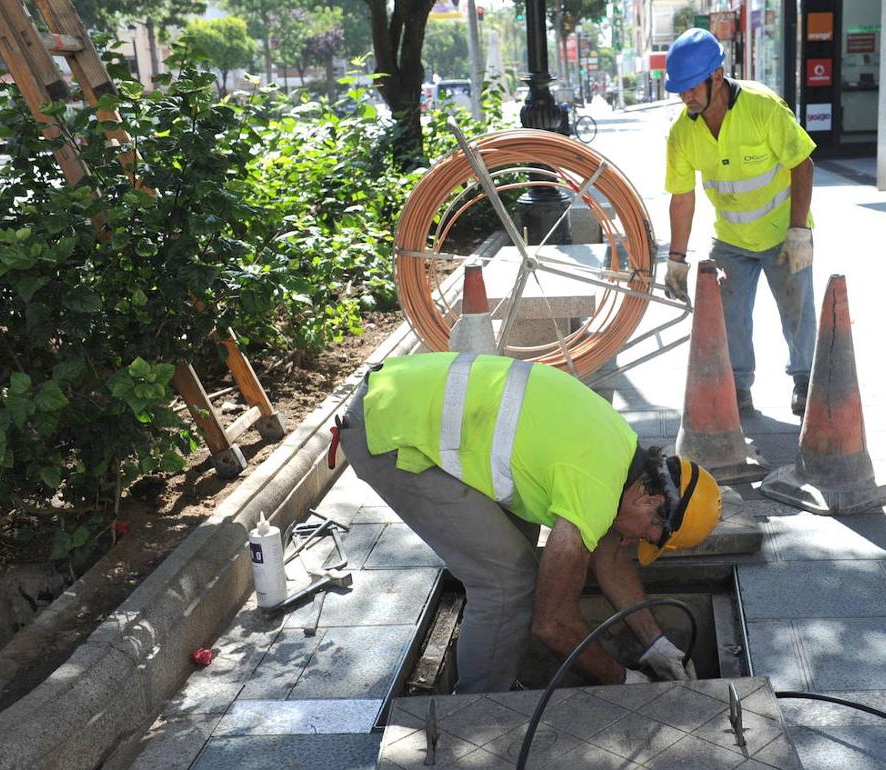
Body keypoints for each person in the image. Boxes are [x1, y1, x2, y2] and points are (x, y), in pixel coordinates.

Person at [335, 352, 723, 693]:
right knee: (508, 580)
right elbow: (551, 624)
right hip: (389, 432)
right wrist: (621, 681)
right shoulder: (594, 488)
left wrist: (655, 643)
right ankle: (475, 713)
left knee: (517, 554)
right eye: (653, 536)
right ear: (651, 499)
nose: (640, 542)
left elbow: (609, 555)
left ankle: (495, 666)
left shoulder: (622, 454)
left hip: (399, 394)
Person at [662, 28, 818, 416]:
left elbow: (803, 164)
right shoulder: (682, 133)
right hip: (731, 238)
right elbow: (682, 198)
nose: (686, 97)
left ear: (717, 76)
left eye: (692, 88)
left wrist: (798, 231)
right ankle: (738, 388)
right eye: (680, 90)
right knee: (728, 318)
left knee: (797, 311)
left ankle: (806, 381)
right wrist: (675, 259)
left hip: (783, 233)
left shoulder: (762, 107)